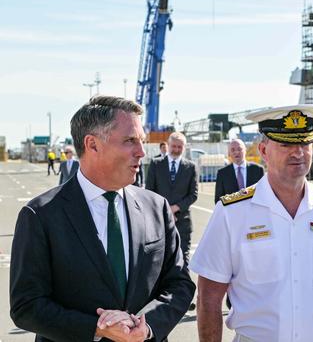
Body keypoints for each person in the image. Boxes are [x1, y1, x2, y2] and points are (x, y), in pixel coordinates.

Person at [10, 96, 195, 342]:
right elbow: (26, 305)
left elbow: (180, 284)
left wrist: (146, 326)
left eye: (141, 141)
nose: (141, 152)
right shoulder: (41, 215)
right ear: (93, 144)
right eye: (130, 141)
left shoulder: (156, 208)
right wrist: (96, 328)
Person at [190, 105, 313, 342]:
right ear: (264, 151)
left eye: (304, 144)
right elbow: (209, 296)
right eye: (286, 144)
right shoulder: (233, 213)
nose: (298, 153)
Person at [146, 132, 198, 267]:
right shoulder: (156, 164)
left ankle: (185, 288)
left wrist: (175, 208)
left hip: (183, 222)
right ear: (168, 145)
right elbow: (149, 191)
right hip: (159, 221)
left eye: (179, 147)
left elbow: (193, 195)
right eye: (173, 146)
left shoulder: (191, 167)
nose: (176, 150)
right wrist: (165, 210)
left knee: (183, 260)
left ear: (184, 148)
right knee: (160, 260)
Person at [213, 139, 264, 204]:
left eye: (239, 149)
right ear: (229, 153)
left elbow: (263, 194)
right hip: (232, 213)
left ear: (245, 150)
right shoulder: (222, 173)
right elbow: (218, 200)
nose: (236, 152)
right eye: (233, 150)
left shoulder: (258, 170)